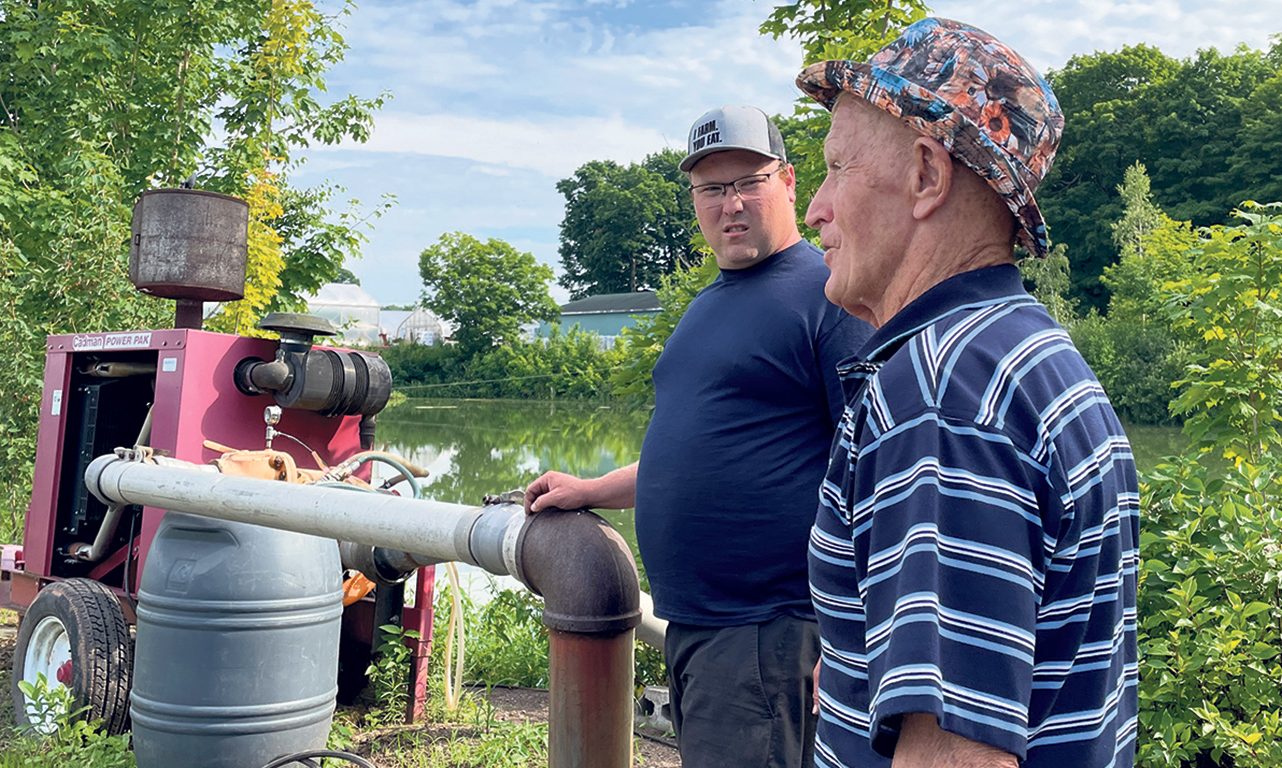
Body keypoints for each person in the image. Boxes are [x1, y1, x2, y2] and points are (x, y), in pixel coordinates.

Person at [795, 18, 1139, 768]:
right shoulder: (1028, 355)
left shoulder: (940, 396)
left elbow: (957, 756)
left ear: (926, 176)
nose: (813, 209)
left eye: (835, 169)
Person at [525, 105, 872, 767]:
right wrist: (592, 487)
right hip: (701, 628)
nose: (731, 203)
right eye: (712, 189)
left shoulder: (830, 296)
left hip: (770, 630)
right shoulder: (707, 305)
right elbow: (694, 453)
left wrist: (851, 633)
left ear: (791, 182)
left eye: (750, 181)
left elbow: (877, 473)